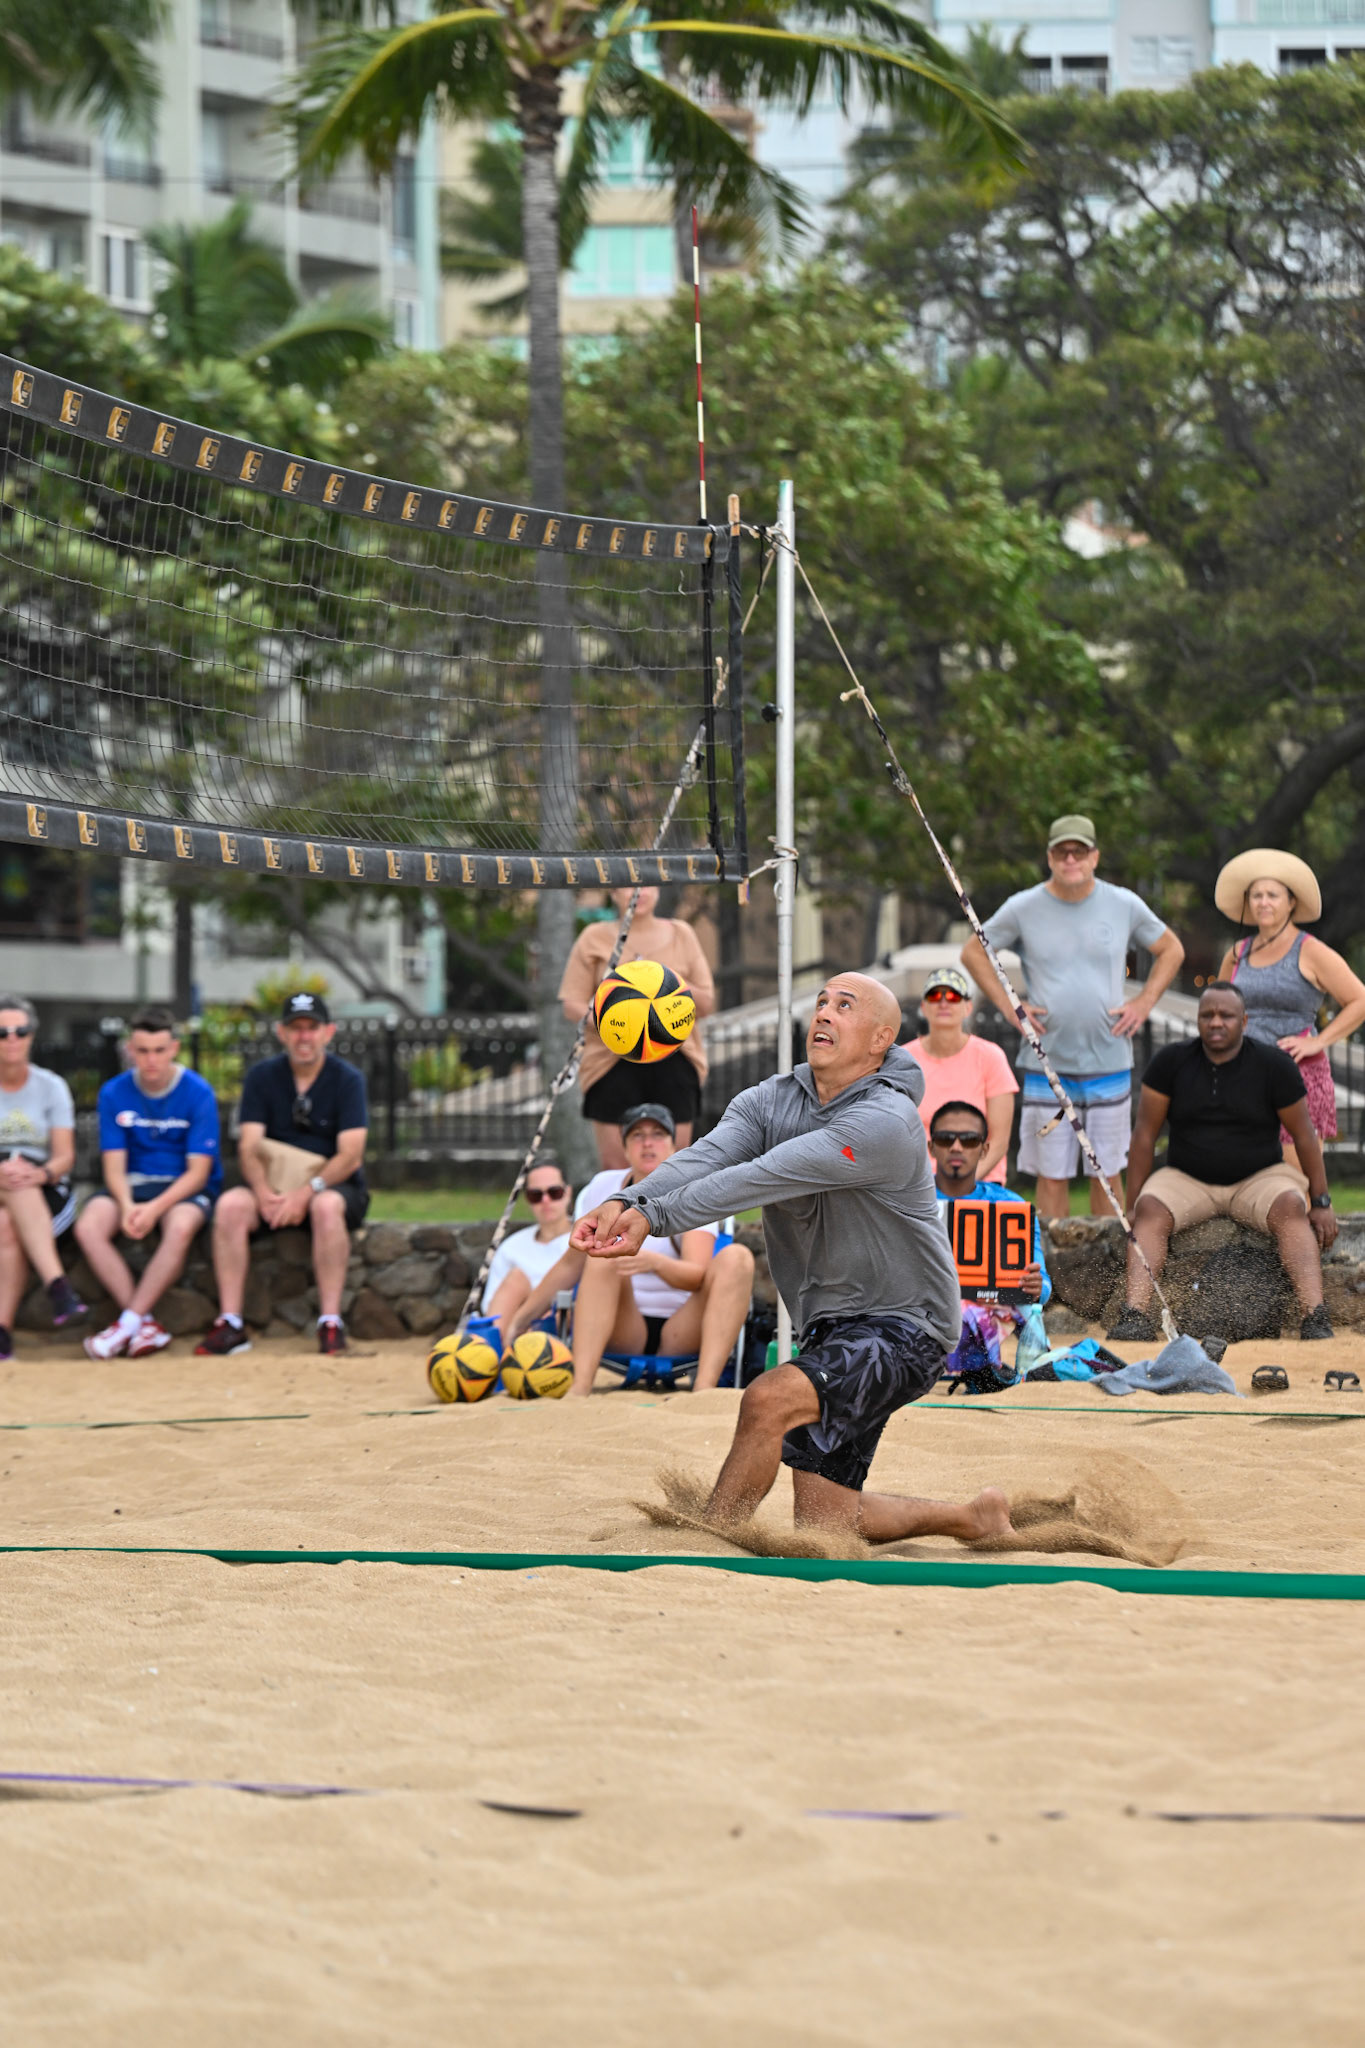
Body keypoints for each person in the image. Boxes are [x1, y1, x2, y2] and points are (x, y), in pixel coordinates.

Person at [573, 974, 1012, 1545]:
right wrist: (625, 1201)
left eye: (844, 1006)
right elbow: (706, 1156)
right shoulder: (769, 1099)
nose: (824, 1012)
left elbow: (760, 1177)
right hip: (830, 1329)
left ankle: (709, 1538)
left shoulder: (886, 1121)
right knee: (826, 1523)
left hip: (907, 1327)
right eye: (822, 1002)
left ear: (881, 1039)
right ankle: (973, 1519)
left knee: (768, 1398)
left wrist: (653, 1218)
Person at [962, 813, 1185, 1222]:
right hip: (1046, 1065)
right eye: (1062, 851)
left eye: (1079, 851)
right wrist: (1011, 1007)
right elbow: (973, 952)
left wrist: (1144, 1003)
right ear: (1049, 857)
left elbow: (1172, 949)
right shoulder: (1023, 907)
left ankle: (1107, 1258)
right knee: (1051, 1176)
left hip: (1109, 1062)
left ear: (1094, 857)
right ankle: (1054, 1261)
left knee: (1107, 1174)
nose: (1070, 859)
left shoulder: (1123, 903)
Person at [1108, 981, 1337, 1344]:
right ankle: (1134, 1314)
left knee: (1292, 1207)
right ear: (1198, 1020)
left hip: (1260, 1176)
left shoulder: (1274, 1065)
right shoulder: (1171, 1062)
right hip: (1187, 1176)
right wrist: (1132, 1203)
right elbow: (1144, 1136)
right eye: (1207, 1015)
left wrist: (1321, 1202)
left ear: (1244, 1021)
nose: (1216, 1022)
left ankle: (1315, 1315)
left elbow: (1305, 1136)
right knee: (1150, 1210)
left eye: (1226, 1015)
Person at [506, 1103, 753, 1395]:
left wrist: (654, 1263)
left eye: (658, 1134)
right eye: (637, 1135)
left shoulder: (693, 1188)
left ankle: (704, 1390)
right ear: (624, 1148)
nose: (647, 1143)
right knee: (601, 1252)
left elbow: (697, 1275)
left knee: (738, 1257)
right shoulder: (604, 1188)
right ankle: (579, 1389)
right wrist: (520, 1320)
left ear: (674, 1146)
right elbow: (570, 1264)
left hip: (682, 1328)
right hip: (625, 1326)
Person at [195, 992, 368, 1357]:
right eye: (295, 1028)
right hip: (272, 1187)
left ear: (328, 1032)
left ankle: (330, 1322)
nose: (304, 1036)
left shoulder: (347, 1080)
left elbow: (351, 1155)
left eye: (311, 1028)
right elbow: (248, 1146)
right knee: (230, 1206)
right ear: (281, 1033)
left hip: (328, 1186)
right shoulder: (262, 1077)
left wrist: (305, 1193)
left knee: (326, 1207)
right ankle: (231, 1322)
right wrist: (262, 1192)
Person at [76, 1006, 222, 1359]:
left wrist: (154, 1209)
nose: (151, 1060)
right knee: (88, 1225)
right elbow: (113, 1165)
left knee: (180, 1225)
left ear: (174, 1048)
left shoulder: (198, 1092)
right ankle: (143, 1324)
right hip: (131, 1185)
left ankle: (127, 1324)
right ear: (130, 1049)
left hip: (182, 1188)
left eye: (159, 1050)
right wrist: (127, 1206)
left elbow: (198, 1173)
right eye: (142, 1051)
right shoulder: (113, 1092)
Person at [1214, 848, 1365, 1155]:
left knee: (1297, 1178)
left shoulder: (1310, 951)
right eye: (1256, 895)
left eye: (1272, 895)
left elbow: (1360, 1000)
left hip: (1297, 1077)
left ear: (1291, 902)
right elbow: (1218, 1010)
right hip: (1243, 1077)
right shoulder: (1237, 953)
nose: (1263, 902)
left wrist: (1318, 1042)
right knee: (1242, 1176)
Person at [558, 886, 716, 1168]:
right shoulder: (594, 937)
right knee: (616, 1170)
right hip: (610, 1060)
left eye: (646, 883)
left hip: (676, 1056)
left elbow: (705, 1003)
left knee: (676, 1166)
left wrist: (663, 983)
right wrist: (618, 1022)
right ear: (613, 892)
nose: (638, 891)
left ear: (658, 889)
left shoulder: (682, 934)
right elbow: (572, 1005)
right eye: (627, 883)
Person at [929, 1100, 1051, 1385]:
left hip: (990, 1310)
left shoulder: (1011, 1206)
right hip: (923, 1310)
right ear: (931, 1147)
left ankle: (1027, 1366)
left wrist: (1036, 1286)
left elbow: (1042, 1285)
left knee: (1025, 1308)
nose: (956, 1147)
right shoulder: (907, 1201)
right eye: (946, 1139)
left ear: (984, 1150)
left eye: (969, 1140)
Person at [0, 995, 87, 1356]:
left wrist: (38, 1174)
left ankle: (2, 1331)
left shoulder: (52, 1086)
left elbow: (65, 1157)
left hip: (41, 1183)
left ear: (32, 1035)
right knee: (11, 1180)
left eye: (20, 1031)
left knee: (6, 1222)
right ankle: (58, 1286)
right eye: (2, 1032)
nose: (12, 1039)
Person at [907, 967, 1018, 1183]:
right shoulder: (904, 1060)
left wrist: (963, 1183)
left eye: (953, 996)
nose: (943, 1003)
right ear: (923, 1007)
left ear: (968, 1007)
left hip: (979, 1180)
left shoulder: (991, 1057)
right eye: (934, 996)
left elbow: (999, 1141)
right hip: (919, 1184)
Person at [476, 1157, 574, 1341]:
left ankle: (514, 1352)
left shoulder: (583, 1238)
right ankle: (495, 1350)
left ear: (568, 1192)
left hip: (563, 1328)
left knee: (559, 1303)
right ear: (527, 1199)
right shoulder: (511, 1246)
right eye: (536, 1195)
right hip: (510, 1327)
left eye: (554, 1192)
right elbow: (492, 1309)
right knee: (516, 1278)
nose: (545, 1200)